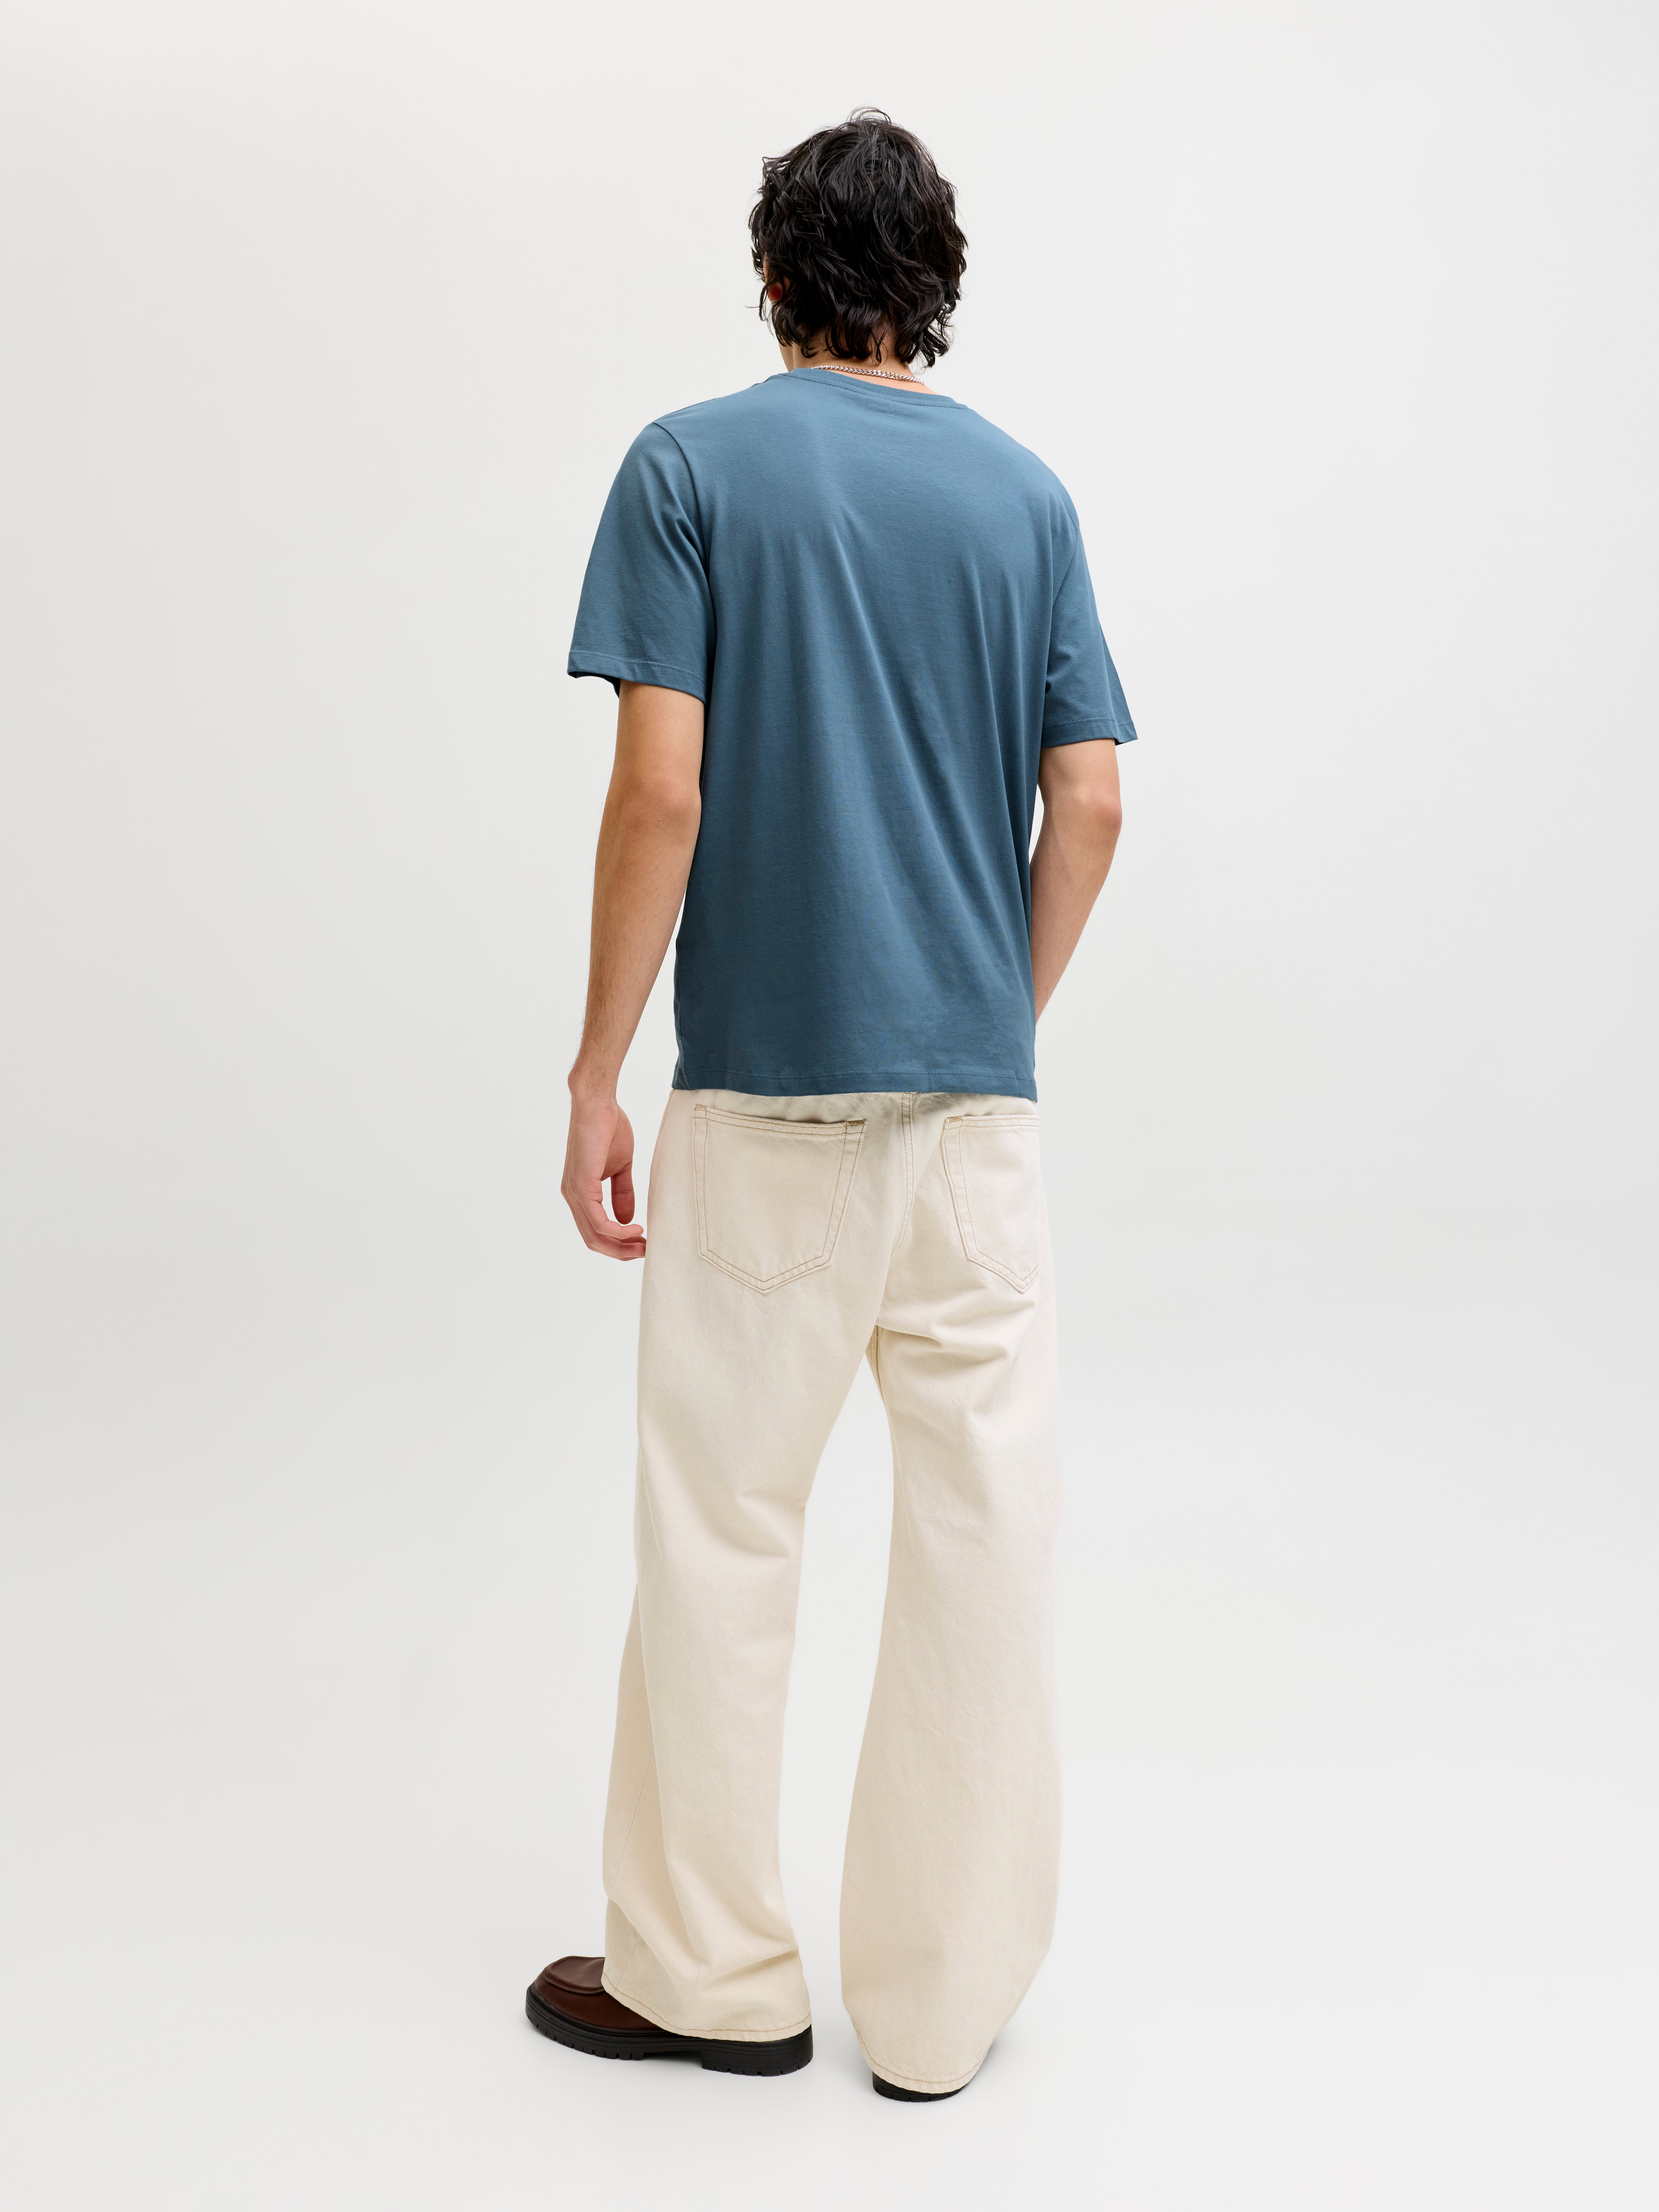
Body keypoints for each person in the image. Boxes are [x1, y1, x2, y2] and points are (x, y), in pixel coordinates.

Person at [525, 109, 1136, 2102]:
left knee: (723, 1534)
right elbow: (1091, 802)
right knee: (982, 1552)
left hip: (765, 1110)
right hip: (974, 1130)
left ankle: (710, 1980)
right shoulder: (1027, 497)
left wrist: (596, 1071)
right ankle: (940, 2015)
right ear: (929, 294)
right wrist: (985, 1016)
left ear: (775, 279)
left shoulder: (689, 468)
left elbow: (660, 790)